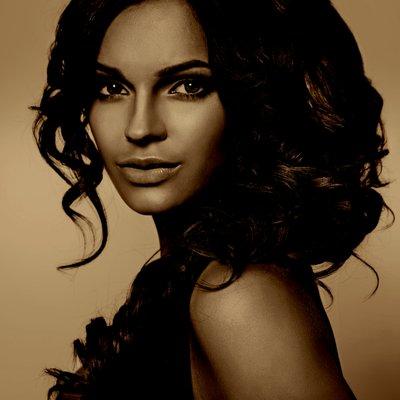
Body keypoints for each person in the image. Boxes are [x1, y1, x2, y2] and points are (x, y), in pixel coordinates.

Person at [32, 0, 392, 399]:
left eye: (189, 86)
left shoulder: (239, 297)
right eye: (112, 88)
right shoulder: (191, 281)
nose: (139, 128)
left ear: (260, 102)